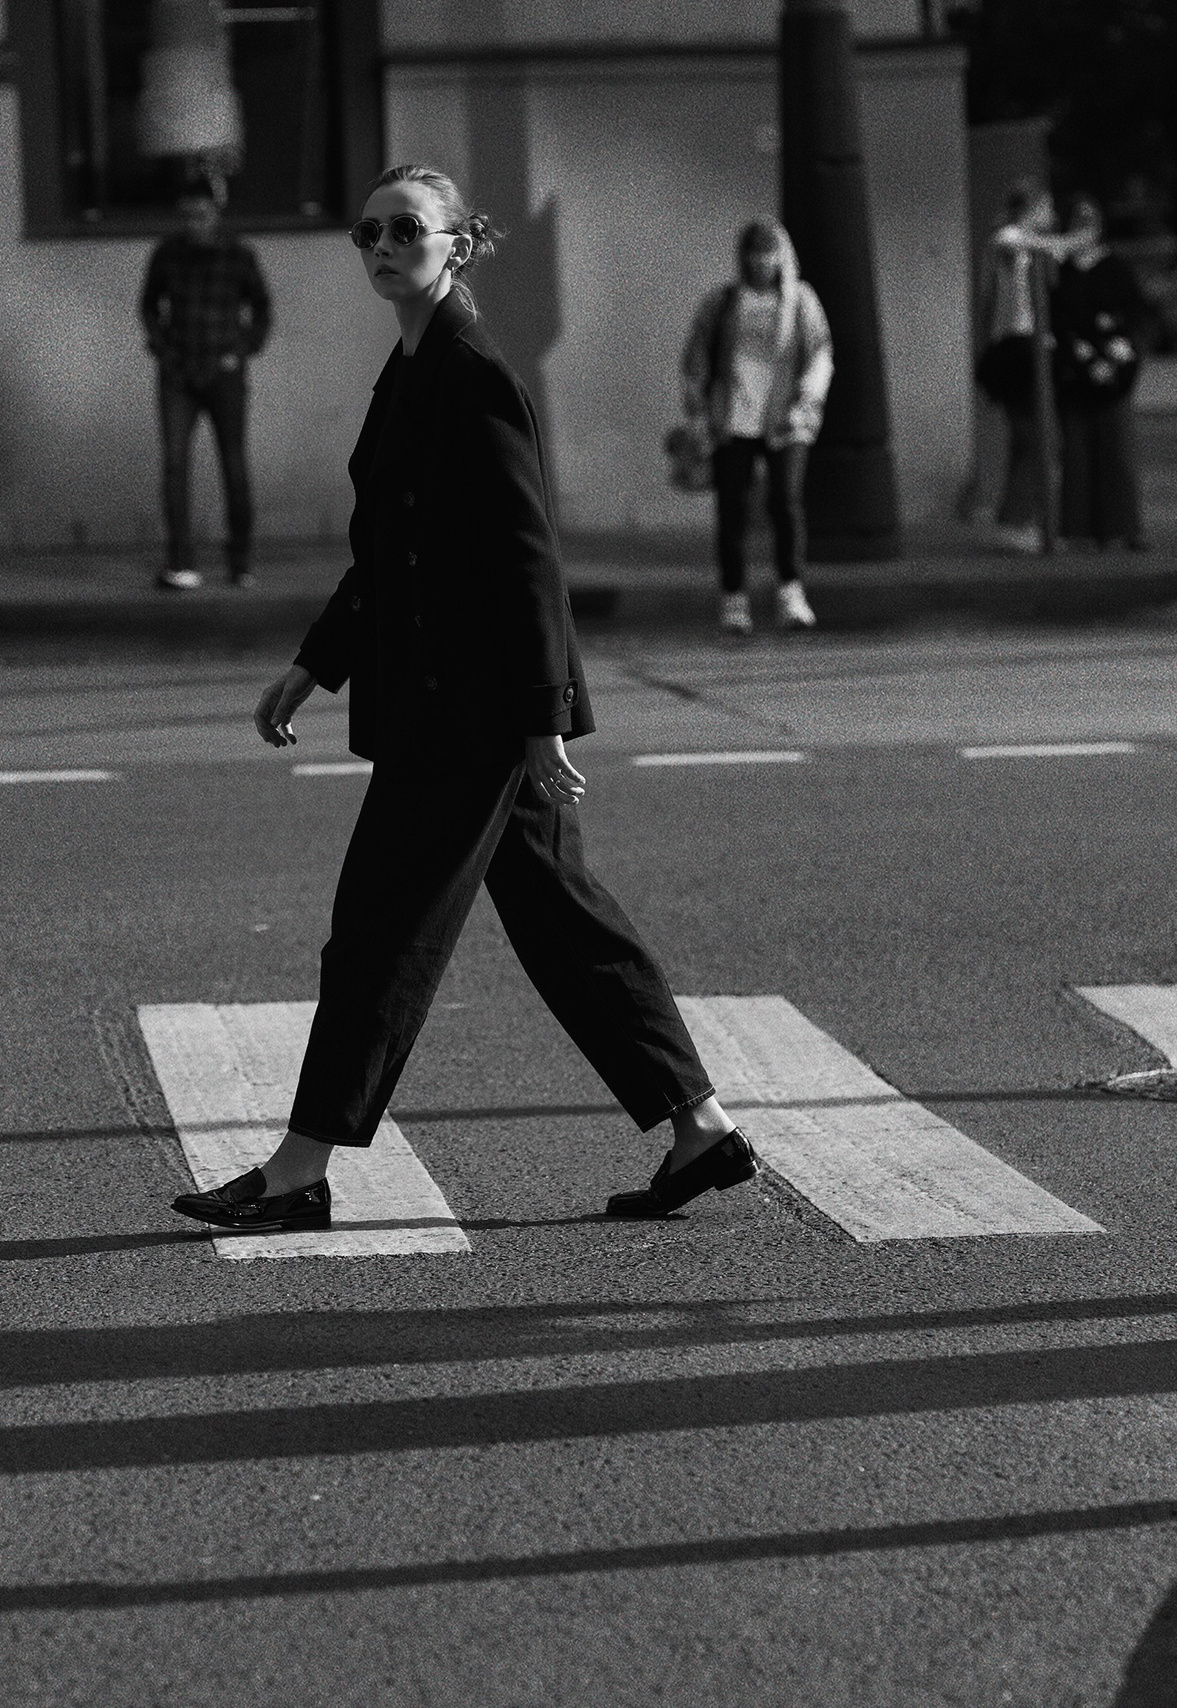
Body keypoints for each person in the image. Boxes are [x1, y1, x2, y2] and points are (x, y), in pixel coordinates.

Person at [172, 163, 755, 1235]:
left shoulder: (473, 373)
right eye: (368, 231)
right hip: (445, 701)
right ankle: (698, 1126)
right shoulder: (412, 370)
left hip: (472, 713)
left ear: (456, 244)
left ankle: (299, 1168)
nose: (382, 245)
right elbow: (392, 552)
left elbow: (524, 558)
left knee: (379, 932)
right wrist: (316, 659)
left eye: (406, 229)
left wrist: (541, 718)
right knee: (565, 921)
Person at [678, 218, 834, 633]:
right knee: (734, 510)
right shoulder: (724, 303)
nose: (762, 262)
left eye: (769, 254)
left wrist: (806, 400)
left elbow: (820, 352)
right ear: (743, 257)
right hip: (734, 418)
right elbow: (696, 360)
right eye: (754, 254)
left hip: (786, 419)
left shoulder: (800, 300)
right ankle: (734, 599)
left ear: (781, 257)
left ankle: (791, 592)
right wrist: (697, 412)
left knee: (786, 503)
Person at [139, 192, 273, 591]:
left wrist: (242, 349)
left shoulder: (238, 254)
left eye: (202, 214)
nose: (195, 222)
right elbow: (149, 305)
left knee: (233, 464)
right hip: (179, 374)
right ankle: (181, 563)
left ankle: (240, 562)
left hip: (223, 372)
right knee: (175, 465)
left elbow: (261, 308)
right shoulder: (167, 253)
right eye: (188, 215)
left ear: (216, 215)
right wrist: (164, 351)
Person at [1049, 196, 1148, 550]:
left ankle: (1122, 528)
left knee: (1117, 451)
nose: (1083, 227)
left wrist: (1117, 354)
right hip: (1075, 371)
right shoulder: (1060, 271)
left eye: (1090, 220)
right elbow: (1056, 319)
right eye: (1077, 219)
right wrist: (1078, 353)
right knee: (1077, 453)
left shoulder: (1115, 268)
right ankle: (1079, 531)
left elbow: (1134, 314)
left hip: (1114, 368)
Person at [973, 179, 1059, 554]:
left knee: (1033, 434)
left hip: (1028, 344)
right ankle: (1018, 517)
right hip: (1016, 345)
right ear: (1035, 207)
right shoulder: (1008, 237)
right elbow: (1020, 242)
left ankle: (1022, 514)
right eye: (1047, 208)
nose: (1051, 217)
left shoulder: (1023, 244)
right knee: (1032, 433)